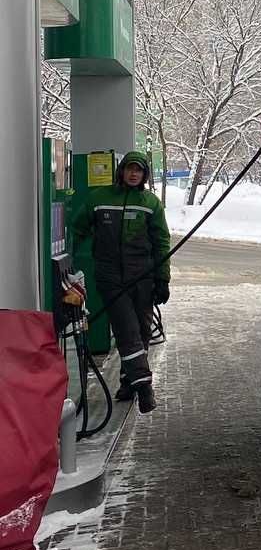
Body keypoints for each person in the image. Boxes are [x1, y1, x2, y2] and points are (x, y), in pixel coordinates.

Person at [70, 150, 169, 414]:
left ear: (145, 175)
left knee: (142, 332)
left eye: (139, 170)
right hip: (111, 278)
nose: (134, 174)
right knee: (127, 331)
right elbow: (76, 230)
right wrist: (65, 262)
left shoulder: (151, 203)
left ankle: (129, 381)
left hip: (143, 277)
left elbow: (161, 242)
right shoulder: (99, 199)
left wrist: (163, 278)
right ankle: (145, 388)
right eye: (130, 169)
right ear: (121, 171)